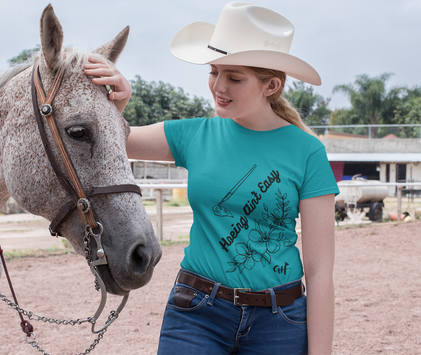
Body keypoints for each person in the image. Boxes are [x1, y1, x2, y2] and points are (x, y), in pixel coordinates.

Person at [84, 2, 339, 354]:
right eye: (214, 71)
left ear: (271, 85)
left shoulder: (307, 152)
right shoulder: (193, 135)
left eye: (234, 77)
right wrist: (120, 102)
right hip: (197, 313)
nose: (218, 86)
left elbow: (320, 272)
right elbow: (113, 141)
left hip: (280, 321)